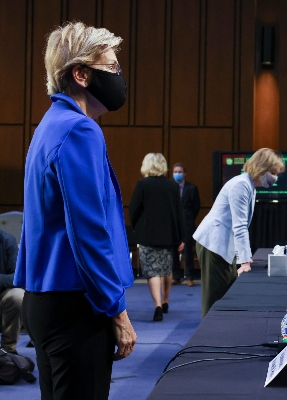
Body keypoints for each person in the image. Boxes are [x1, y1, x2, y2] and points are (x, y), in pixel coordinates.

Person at [14, 21, 137, 399]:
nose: (119, 76)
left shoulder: (51, 124)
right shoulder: (78, 130)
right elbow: (88, 233)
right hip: (76, 306)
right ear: (81, 74)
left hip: (47, 301)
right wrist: (117, 311)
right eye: (112, 67)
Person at [194, 148, 285, 317]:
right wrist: (244, 261)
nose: (275, 178)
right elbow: (240, 227)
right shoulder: (241, 185)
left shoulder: (250, 186)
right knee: (214, 298)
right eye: (273, 172)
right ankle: (208, 339)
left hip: (223, 246)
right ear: (261, 168)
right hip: (214, 244)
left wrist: (244, 257)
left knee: (225, 292)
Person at [129, 153, 184, 322]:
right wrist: (180, 237)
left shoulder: (142, 184)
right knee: (166, 269)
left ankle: (158, 305)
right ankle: (166, 300)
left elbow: (133, 209)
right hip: (168, 235)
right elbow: (178, 213)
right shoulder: (172, 186)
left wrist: (136, 226)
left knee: (152, 271)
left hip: (147, 234)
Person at [171, 162, 201, 287]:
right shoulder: (170, 187)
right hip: (173, 224)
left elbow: (196, 207)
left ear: (184, 174)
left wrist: (188, 218)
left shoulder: (191, 188)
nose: (177, 174)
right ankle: (176, 276)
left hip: (187, 224)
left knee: (188, 251)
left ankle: (189, 277)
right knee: (173, 251)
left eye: (180, 172)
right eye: (175, 172)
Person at [0, 230, 24, 354]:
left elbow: (17, 277)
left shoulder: (7, 240)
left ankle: (8, 351)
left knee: (18, 296)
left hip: (2, 294)